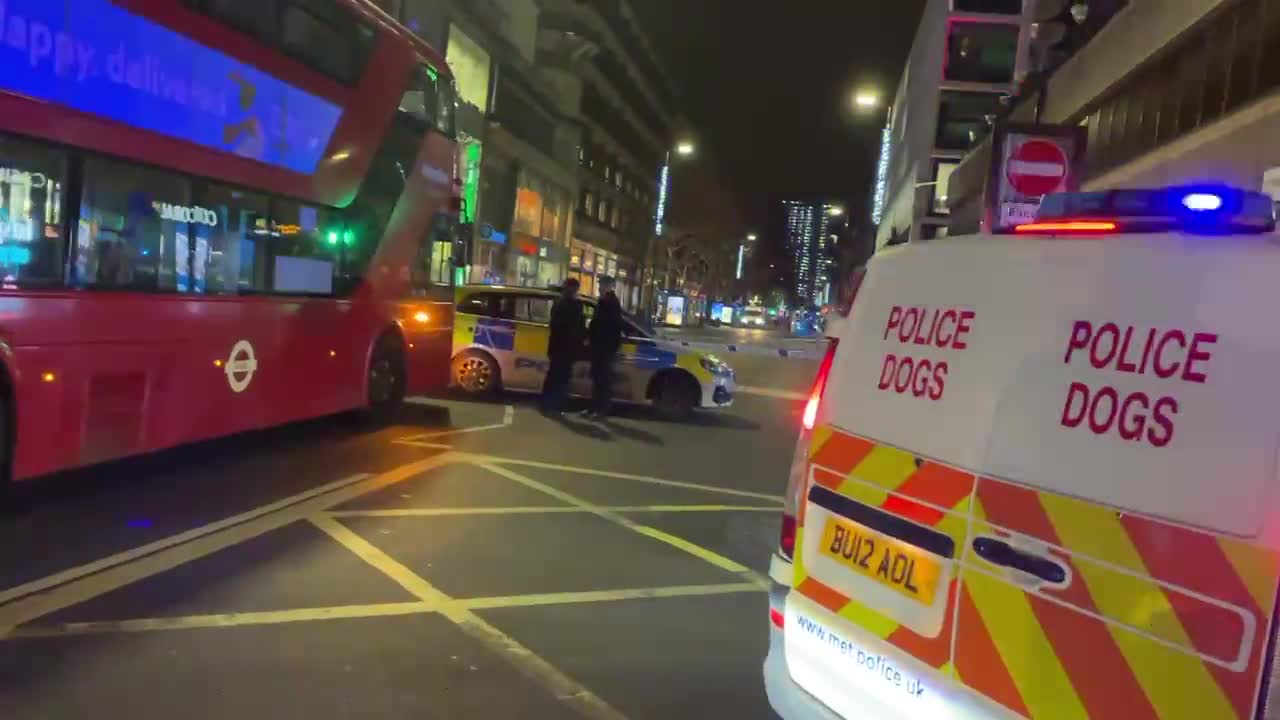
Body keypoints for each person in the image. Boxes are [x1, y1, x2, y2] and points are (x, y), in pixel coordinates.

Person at [541, 278, 584, 415]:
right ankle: (555, 406)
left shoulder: (559, 302)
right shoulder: (573, 305)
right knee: (561, 378)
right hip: (566, 348)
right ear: (573, 289)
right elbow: (577, 328)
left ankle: (547, 405)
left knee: (553, 377)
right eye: (576, 289)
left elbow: (555, 325)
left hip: (557, 347)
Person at [584, 275, 624, 418]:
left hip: (605, 348)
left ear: (609, 286)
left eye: (602, 285)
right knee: (597, 379)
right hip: (599, 347)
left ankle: (601, 410)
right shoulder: (604, 301)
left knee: (603, 380)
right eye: (599, 284)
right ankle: (594, 408)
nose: (599, 287)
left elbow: (611, 327)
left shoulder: (611, 302)